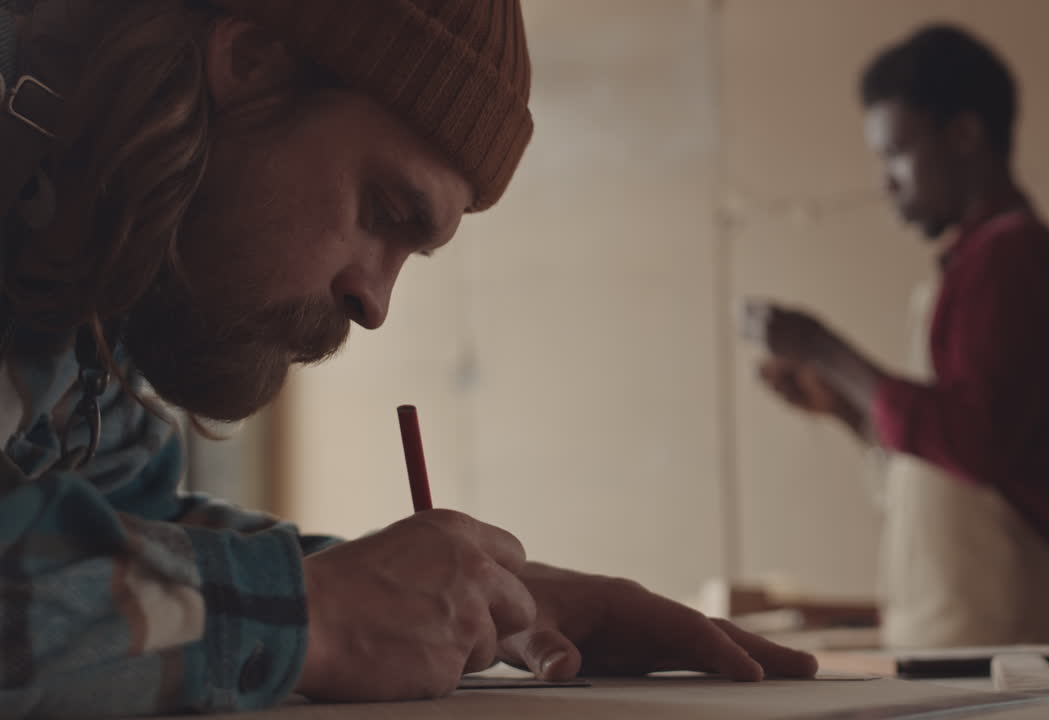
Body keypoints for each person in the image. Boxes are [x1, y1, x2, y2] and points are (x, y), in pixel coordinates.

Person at [0, 1, 818, 716]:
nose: (375, 302)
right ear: (251, 64)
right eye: (385, 210)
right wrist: (310, 616)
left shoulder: (88, 283)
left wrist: (481, 601)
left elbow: (107, 528)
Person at [757, 24, 1049, 648]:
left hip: (1006, 636)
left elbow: (974, 442)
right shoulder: (972, 264)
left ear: (966, 134)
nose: (885, 181)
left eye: (896, 152)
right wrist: (844, 405)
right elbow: (948, 461)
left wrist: (824, 349)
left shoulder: (1013, 257)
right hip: (965, 631)